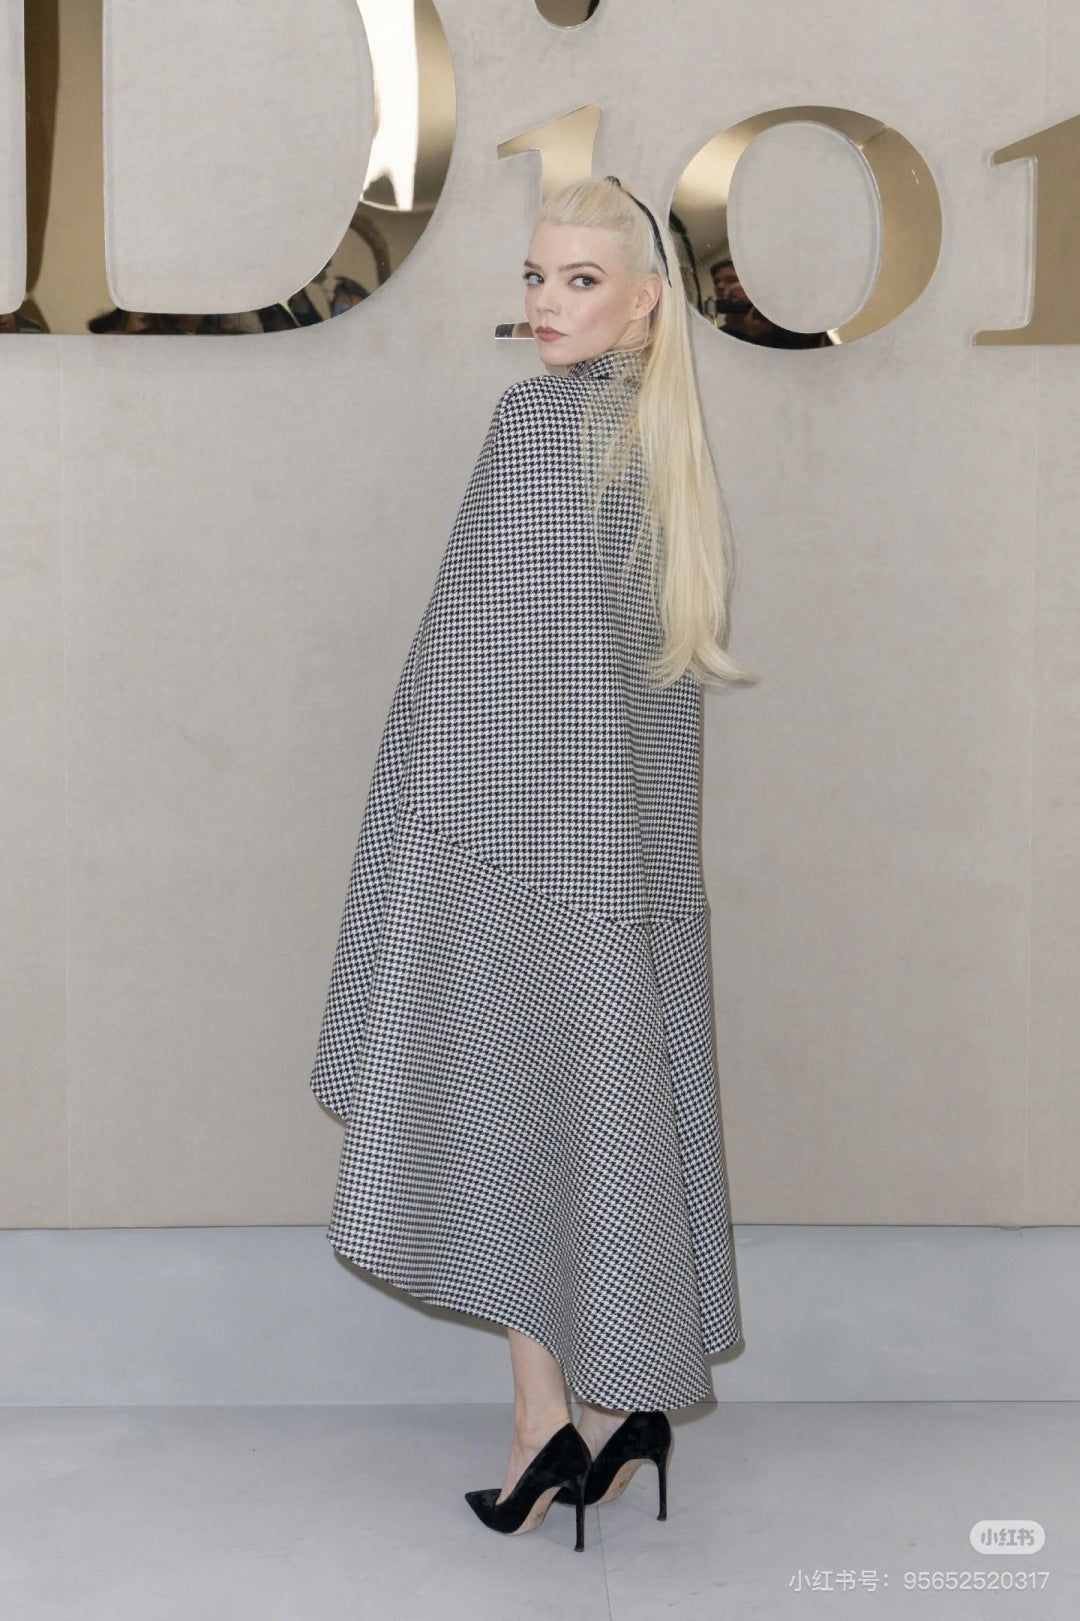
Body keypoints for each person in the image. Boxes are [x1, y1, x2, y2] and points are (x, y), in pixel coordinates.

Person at [309, 174, 757, 1553]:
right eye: (534, 276)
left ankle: (543, 1421)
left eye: (579, 280)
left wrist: (417, 837)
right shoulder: (661, 444)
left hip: (507, 850)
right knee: (596, 1120)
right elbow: (628, 707)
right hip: (621, 870)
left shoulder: (539, 428)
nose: (546, 304)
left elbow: (470, 672)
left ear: (644, 301)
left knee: (513, 1118)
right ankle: (612, 1408)